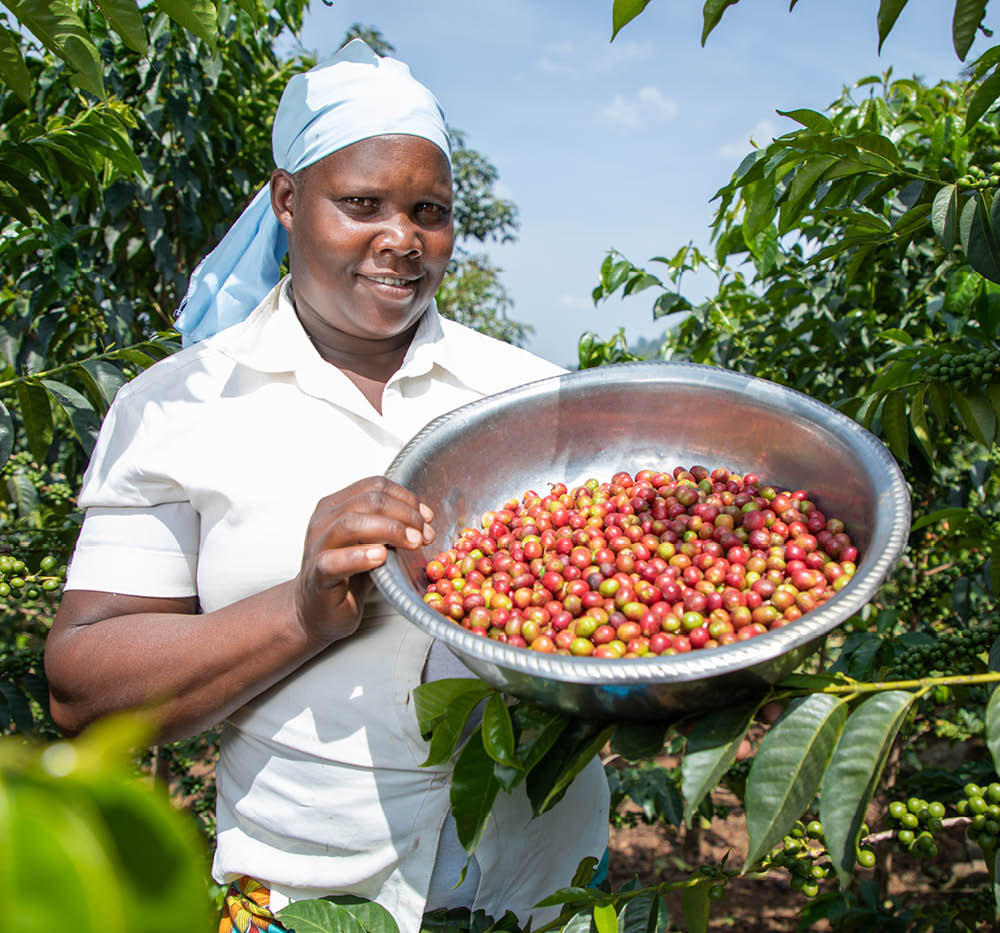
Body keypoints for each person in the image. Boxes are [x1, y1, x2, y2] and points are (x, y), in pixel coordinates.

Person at [43, 39, 610, 933]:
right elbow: (82, 687)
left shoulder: (530, 397)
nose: (403, 239)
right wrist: (301, 609)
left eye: (430, 210)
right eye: (362, 204)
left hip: (544, 894)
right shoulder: (178, 406)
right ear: (286, 199)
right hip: (308, 900)